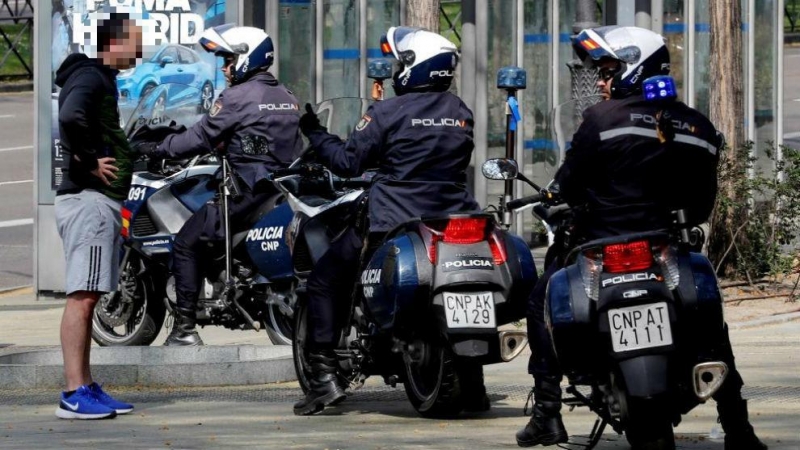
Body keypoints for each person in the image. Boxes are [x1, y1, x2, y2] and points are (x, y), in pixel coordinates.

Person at [516, 26, 766, 450]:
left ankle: (547, 413)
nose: (600, 80)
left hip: (599, 246)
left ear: (636, 67)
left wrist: (557, 197)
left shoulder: (601, 119)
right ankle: (737, 427)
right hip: (664, 249)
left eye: (609, 69)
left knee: (541, 299)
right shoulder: (699, 127)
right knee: (711, 326)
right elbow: (701, 205)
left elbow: (568, 185)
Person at [293, 26, 481, 416]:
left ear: (415, 67)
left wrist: (316, 133)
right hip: (453, 216)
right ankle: (474, 383)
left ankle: (324, 375)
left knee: (325, 280)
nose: (397, 68)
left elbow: (348, 161)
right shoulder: (459, 110)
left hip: (393, 219)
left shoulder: (387, 112)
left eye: (401, 62)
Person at [140, 25, 303, 346]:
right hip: (280, 193)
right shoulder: (286, 96)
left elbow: (200, 137)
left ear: (247, 58)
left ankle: (184, 330)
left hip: (245, 197)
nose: (225, 68)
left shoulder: (237, 97)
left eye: (229, 60)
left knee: (186, 244)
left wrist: (157, 148)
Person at [54, 11, 141, 420]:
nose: (139, 52)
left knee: (89, 296)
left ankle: (85, 385)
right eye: (135, 42)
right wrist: (90, 161)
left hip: (98, 202)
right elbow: (71, 115)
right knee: (82, 296)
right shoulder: (90, 76)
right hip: (89, 201)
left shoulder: (99, 78)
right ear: (114, 43)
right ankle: (73, 393)